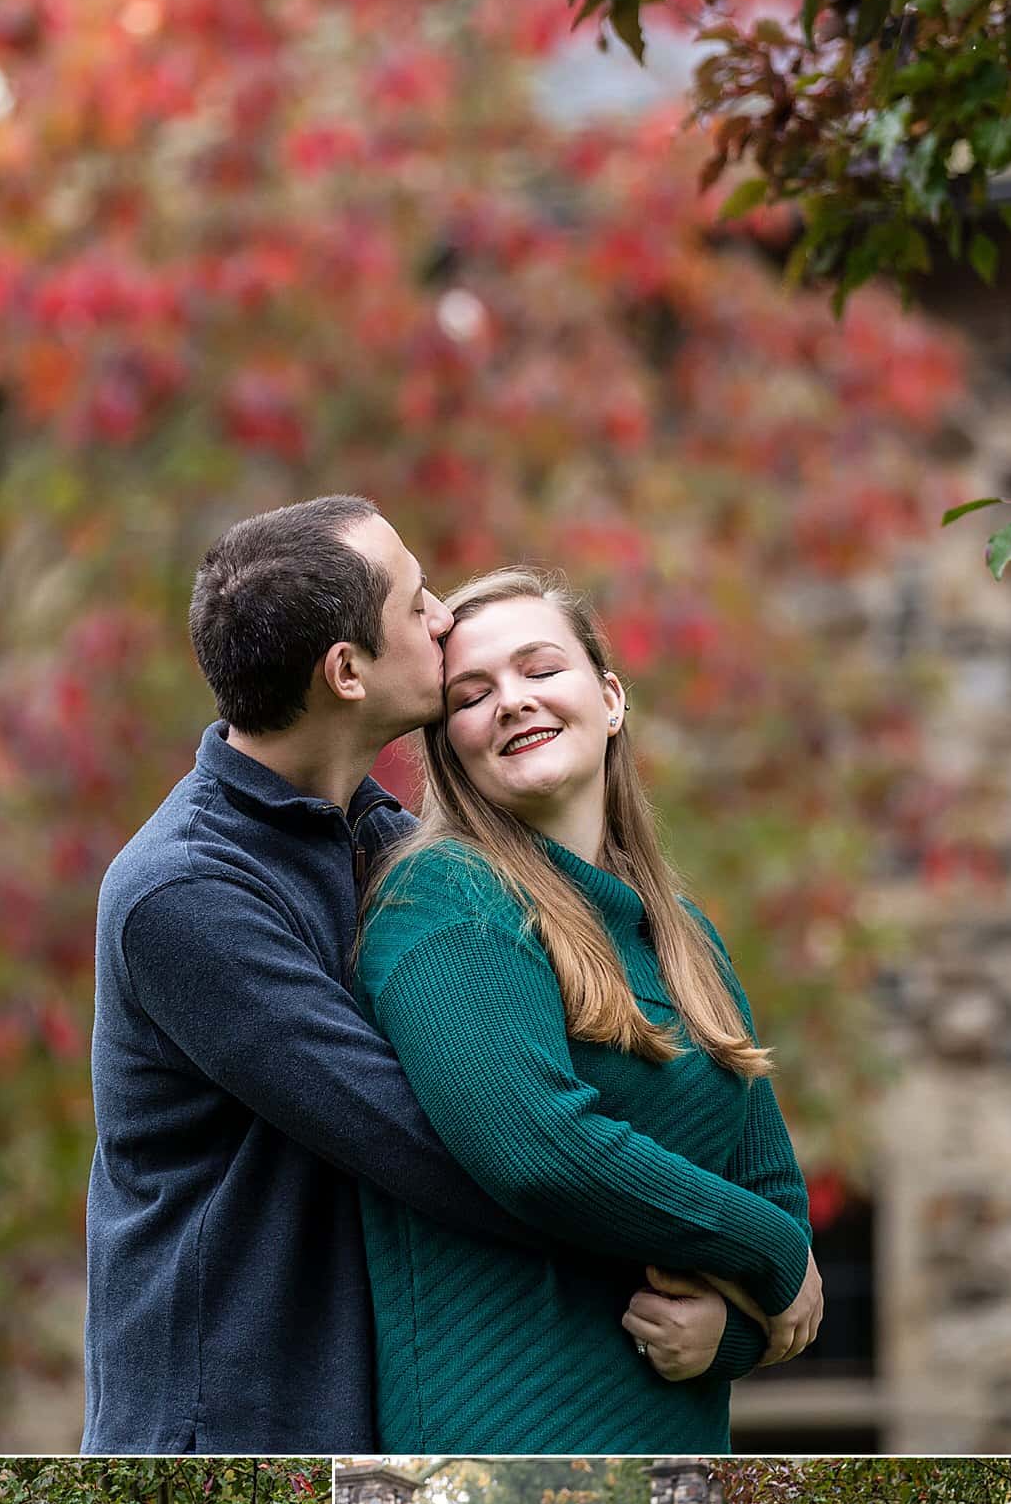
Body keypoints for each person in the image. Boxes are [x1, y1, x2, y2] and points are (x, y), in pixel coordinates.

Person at [82, 496, 730, 1452]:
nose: (442, 616)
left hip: (380, 1421)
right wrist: (742, 1259)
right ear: (347, 673)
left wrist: (732, 1302)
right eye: (416, 600)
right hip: (227, 1439)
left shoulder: (391, 847)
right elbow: (456, 1148)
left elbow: (597, 1096)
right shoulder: (186, 894)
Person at [355, 564, 824, 1452]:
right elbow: (539, 1151)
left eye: (540, 669)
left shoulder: (680, 934)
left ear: (610, 698)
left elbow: (774, 1193)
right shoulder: (445, 901)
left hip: (674, 1452)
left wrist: (730, 1338)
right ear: (449, 745)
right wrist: (770, 1256)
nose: (512, 701)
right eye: (472, 695)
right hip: (502, 1445)